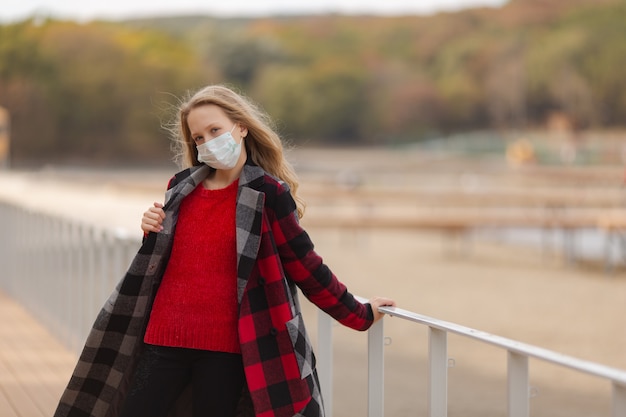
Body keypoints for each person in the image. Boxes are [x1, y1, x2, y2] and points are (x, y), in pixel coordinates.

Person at [54, 84, 395, 417]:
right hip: (162, 340)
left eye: (215, 130)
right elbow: (171, 264)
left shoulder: (268, 194)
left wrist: (360, 314)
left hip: (225, 351)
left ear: (241, 127)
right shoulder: (180, 187)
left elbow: (306, 266)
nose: (207, 142)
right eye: (198, 137)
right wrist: (150, 231)